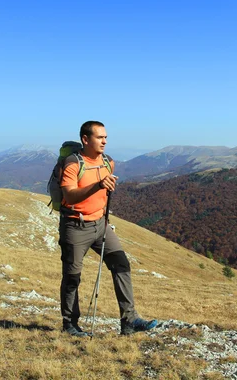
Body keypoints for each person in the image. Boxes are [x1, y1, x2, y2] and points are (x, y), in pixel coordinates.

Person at [58, 120, 157, 336]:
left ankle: (129, 320)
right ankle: (70, 324)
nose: (104, 141)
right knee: (72, 276)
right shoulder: (73, 164)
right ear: (86, 139)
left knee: (121, 265)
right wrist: (98, 185)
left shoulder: (108, 162)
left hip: (101, 225)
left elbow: (104, 192)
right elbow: (69, 195)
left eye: (106, 137)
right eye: (99, 137)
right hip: (75, 225)